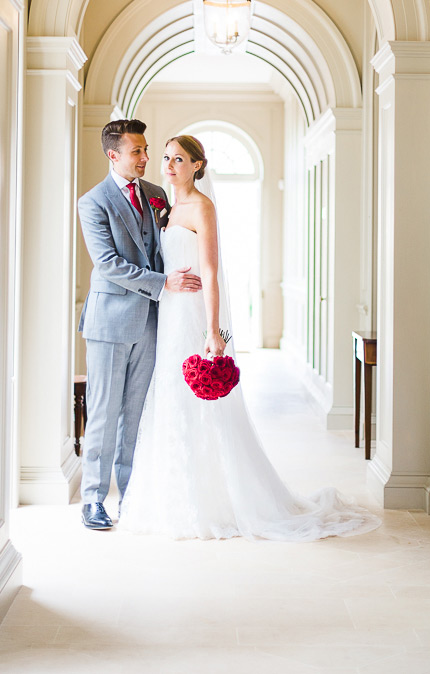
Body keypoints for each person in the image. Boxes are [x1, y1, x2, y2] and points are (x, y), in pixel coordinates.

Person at [120, 135, 380, 541]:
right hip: (169, 313)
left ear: (198, 166)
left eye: (179, 159)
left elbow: (209, 271)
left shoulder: (202, 207)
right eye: (166, 158)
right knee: (171, 397)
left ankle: (219, 500)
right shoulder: (167, 210)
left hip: (193, 315)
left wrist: (212, 331)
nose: (168, 164)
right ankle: (175, 494)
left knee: (201, 403)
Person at [77, 119, 202, 530]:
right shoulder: (93, 202)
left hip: (154, 323)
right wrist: (163, 283)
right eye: (137, 152)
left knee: (135, 415)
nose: (147, 158)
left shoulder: (156, 194)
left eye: (147, 150)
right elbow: (108, 264)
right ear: (113, 155)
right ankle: (93, 500)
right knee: (102, 414)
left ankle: (132, 496)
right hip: (110, 323)